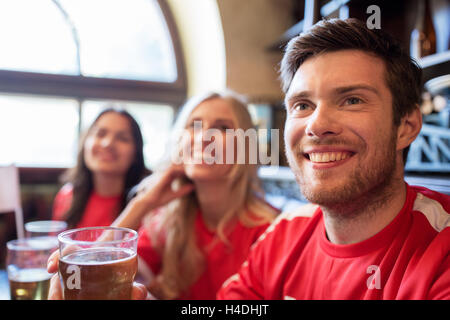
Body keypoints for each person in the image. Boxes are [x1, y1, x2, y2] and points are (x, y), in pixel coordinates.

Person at [217, 18, 450, 300]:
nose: (317, 124)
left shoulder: (441, 250)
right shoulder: (285, 233)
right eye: (302, 105)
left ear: (406, 126)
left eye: (352, 100)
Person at [48, 91, 279, 300]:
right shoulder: (167, 221)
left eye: (222, 128)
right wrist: (143, 204)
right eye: (194, 126)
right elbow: (99, 269)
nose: (203, 137)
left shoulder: (270, 231)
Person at [52, 107, 149, 229]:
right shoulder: (67, 196)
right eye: (100, 133)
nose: (107, 143)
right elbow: (56, 246)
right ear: (85, 143)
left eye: (122, 138)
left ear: (136, 153)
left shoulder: (150, 203)